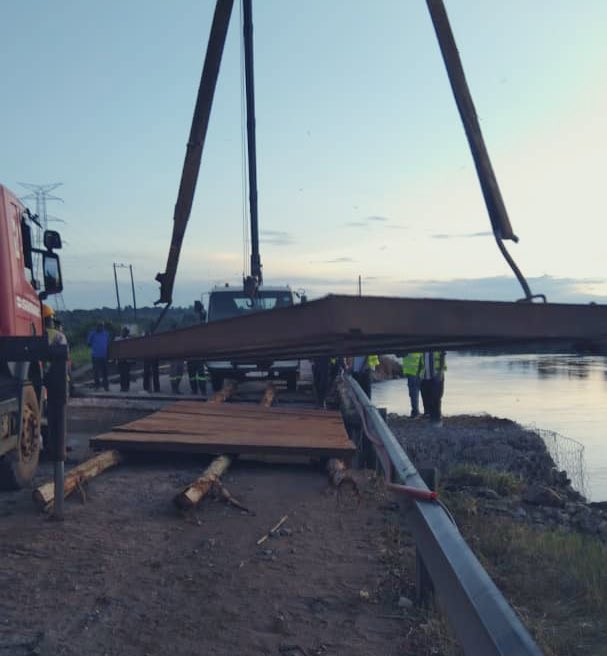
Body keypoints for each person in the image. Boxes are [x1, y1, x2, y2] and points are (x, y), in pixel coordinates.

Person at [420, 351, 447, 426]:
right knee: (427, 398)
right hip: (425, 375)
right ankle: (432, 419)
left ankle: (437, 420)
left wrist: (441, 371)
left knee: (436, 398)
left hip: (436, 374)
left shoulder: (437, 344)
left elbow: (443, 355)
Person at [87, 322, 110, 391]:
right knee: (96, 372)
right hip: (95, 356)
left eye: (102, 326)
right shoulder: (92, 333)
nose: (100, 327)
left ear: (103, 327)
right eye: (99, 326)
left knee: (105, 372)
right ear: (96, 327)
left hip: (104, 356)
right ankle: (97, 386)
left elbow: (108, 344)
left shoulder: (106, 333)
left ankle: (106, 386)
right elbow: (88, 343)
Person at [402, 352, 423, 418]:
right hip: (414, 371)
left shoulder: (410, 345)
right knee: (414, 393)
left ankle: (415, 412)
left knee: (414, 392)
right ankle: (416, 411)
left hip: (414, 371)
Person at [114, 326, 132, 392]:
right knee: (122, 375)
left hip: (127, 360)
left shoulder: (129, 339)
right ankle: (122, 387)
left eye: (125, 332)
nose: (124, 333)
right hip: (120, 360)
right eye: (123, 331)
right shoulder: (117, 339)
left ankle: (127, 387)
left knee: (127, 374)